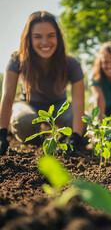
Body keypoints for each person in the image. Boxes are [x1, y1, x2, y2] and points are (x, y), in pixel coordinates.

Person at [0, 11, 86, 155]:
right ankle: (37, 140)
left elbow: (78, 103)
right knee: (24, 122)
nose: (45, 42)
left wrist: (75, 138)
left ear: (58, 37)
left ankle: (65, 139)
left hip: (60, 106)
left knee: (85, 122)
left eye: (51, 36)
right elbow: (8, 95)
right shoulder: (17, 60)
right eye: (37, 37)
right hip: (28, 104)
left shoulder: (71, 64)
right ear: (29, 39)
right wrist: (1, 134)